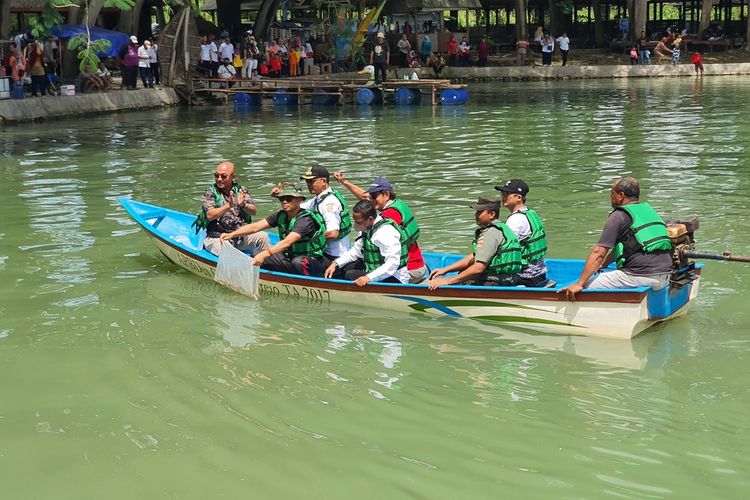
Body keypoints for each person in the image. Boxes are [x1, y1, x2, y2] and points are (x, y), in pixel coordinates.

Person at [558, 176, 673, 300]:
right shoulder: (648, 211)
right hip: (665, 275)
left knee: (585, 286)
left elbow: (599, 252)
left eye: (612, 193)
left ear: (621, 195)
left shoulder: (619, 216)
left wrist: (579, 284)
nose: (610, 198)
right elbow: (629, 245)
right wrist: (603, 264)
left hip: (640, 276)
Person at [334, 173, 428, 283]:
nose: (371, 200)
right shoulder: (398, 204)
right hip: (418, 264)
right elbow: (366, 200)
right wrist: (345, 182)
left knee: (351, 271)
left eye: (374, 197)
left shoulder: (387, 220)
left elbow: (367, 207)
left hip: (409, 269)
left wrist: (368, 277)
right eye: (371, 197)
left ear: (386, 194)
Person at [221, 183, 326, 277]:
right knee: (256, 253)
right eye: (282, 198)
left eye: (289, 198)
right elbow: (255, 227)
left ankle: (307, 282)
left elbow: (286, 243)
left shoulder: (305, 220)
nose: (284, 201)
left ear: (299, 200)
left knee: (298, 263)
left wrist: (265, 254)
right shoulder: (281, 215)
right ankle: (282, 278)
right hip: (290, 258)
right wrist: (231, 235)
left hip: (311, 262)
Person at [428, 196, 522, 289]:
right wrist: (445, 270)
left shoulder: (491, 234)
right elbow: (475, 256)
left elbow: (478, 268)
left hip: (496, 282)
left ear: (492, 214)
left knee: (459, 278)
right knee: (461, 273)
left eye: (480, 212)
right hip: (507, 279)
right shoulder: (500, 228)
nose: (476, 215)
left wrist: (448, 281)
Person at [324, 200, 409, 286]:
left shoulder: (385, 232)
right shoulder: (366, 228)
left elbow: (392, 263)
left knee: (350, 275)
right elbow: (355, 252)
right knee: (343, 268)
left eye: (359, 222)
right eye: (355, 220)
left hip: (395, 277)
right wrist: (335, 263)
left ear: (370, 219)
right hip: (375, 273)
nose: (356, 224)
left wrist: (369, 277)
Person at [194, 161, 269, 257]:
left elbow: (253, 211)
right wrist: (228, 206)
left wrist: (243, 205)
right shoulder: (210, 192)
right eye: (216, 176)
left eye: (223, 176)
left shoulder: (241, 190)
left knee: (263, 237)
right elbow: (209, 215)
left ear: (233, 177)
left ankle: (264, 264)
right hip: (217, 238)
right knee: (228, 252)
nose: (219, 179)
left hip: (239, 235)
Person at [495, 179, 548, 287]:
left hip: (526, 277)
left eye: (506, 194)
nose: (502, 196)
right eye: (502, 193)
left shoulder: (515, 220)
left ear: (519, 198)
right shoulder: (529, 214)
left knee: (474, 276)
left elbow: (503, 249)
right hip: (539, 274)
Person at [298, 165, 351, 265]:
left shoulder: (328, 204)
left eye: (312, 181)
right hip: (325, 252)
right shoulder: (318, 199)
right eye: (307, 182)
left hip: (335, 257)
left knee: (298, 261)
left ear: (323, 181)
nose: (308, 184)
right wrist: (282, 196)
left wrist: (307, 239)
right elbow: (297, 208)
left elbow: (333, 233)